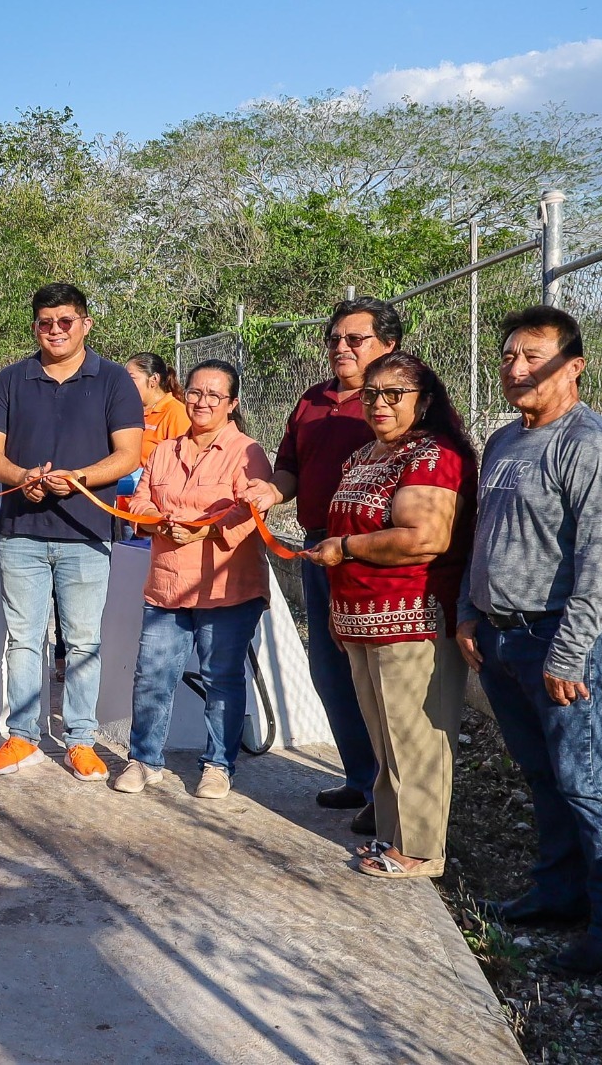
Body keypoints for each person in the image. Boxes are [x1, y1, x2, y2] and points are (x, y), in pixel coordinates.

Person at [457, 307, 602, 978]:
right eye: (508, 355)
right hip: (503, 639)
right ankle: (559, 893)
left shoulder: (590, 444)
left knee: (589, 781)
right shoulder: (506, 440)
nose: (516, 368)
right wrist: (467, 611)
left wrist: (569, 652)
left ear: (574, 365)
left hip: (561, 643)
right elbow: (486, 536)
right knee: (544, 774)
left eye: (533, 355)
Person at [304, 353, 476, 879]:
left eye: (393, 394)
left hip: (412, 621)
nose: (379, 404)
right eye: (371, 394)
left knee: (416, 737)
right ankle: (392, 830)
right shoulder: (364, 455)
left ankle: (421, 851)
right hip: (359, 619)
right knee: (385, 735)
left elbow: (425, 538)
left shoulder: (433, 456)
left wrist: (347, 546)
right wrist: (339, 609)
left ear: (423, 401)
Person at [241, 296, 402, 835]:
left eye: (354, 339)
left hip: (376, 556)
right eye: (334, 338)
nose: (340, 347)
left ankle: (394, 792)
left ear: (388, 345)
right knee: (330, 670)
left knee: (377, 674)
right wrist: (269, 491)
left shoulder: (402, 402)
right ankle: (361, 779)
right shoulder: (312, 402)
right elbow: (289, 469)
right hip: (317, 548)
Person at [0, 282, 144, 780]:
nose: (55, 331)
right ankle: (22, 737)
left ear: (85, 324)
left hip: (87, 531)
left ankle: (80, 740)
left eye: (65, 321)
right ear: (35, 326)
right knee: (25, 640)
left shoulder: (114, 380)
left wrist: (79, 480)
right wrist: (20, 477)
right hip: (21, 531)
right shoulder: (10, 380)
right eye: (45, 323)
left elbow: (129, 454)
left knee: (83, 641)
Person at [116, 359, 271, 799]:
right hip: (168, 585)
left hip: (227, 586)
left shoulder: (247, 452)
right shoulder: (165, 449)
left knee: (221, 677)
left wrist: (209, 527)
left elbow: (253, 509)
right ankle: (144, 759)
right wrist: (158, 521)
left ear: (232, 404)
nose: (202, 402)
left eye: (214, 395)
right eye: (196, 393)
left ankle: (219, 765)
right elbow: (140, 501)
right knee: (152, 675)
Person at [125, 352, 190, 465]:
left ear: (154, 379)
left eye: (131, 378)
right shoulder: (129, 410)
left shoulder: (176, 412)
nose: (124, 384)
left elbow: (181, 462)